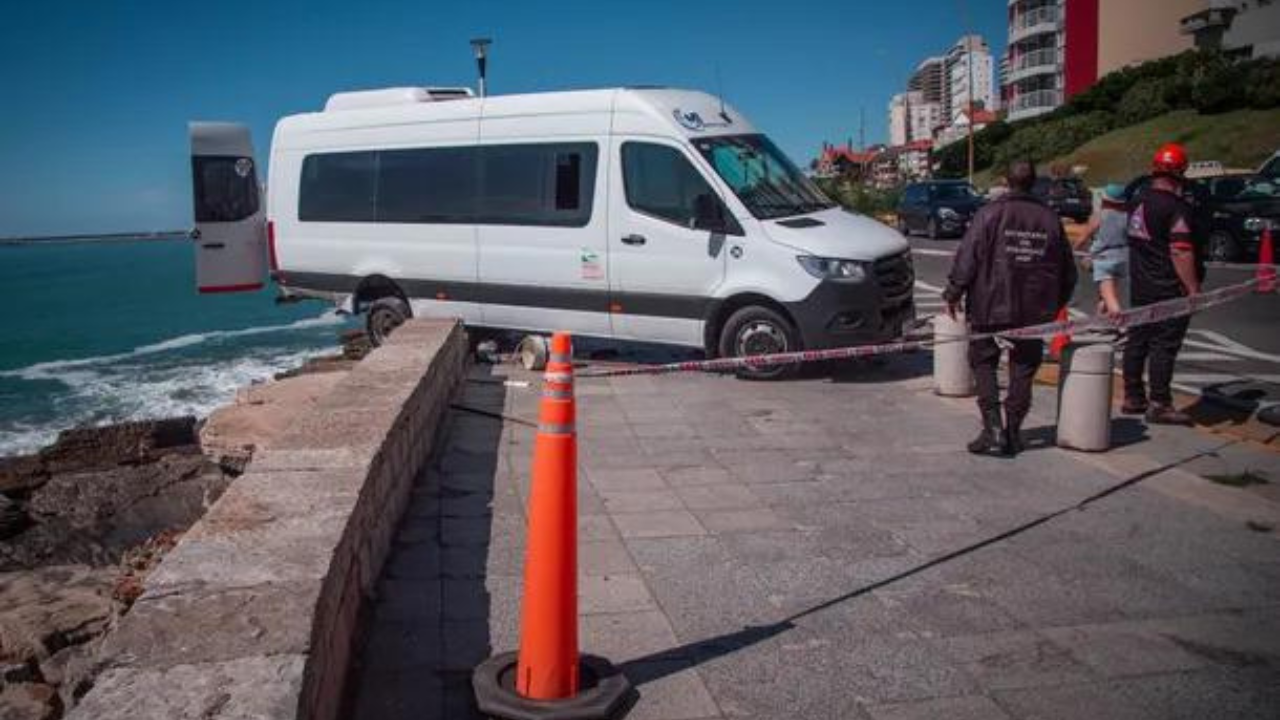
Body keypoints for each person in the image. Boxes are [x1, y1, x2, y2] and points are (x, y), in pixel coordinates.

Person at [945, 160, 1078, 457]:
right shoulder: (1050, 219)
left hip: (989, 303)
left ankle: (992, 429)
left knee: (983, 362)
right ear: (1033, 183)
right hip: (1034, 308)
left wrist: (953, 292)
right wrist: (1054, 303)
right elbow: (1069, 272)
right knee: (1024, 366)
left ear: (1006, 181)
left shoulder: (989, 214)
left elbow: (968, 258)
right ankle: (1013, 432)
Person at [1122, 143, 1202, 425]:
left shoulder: (1137, 201)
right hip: (1168, 286)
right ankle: (1160, 403)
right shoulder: (1177, 208)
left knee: (1137, 341)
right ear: (1180, 172)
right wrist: (1192, 288)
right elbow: (1181, 250)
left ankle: (1132, 396)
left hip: (1141, 284)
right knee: (1164, 346)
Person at [1073, 183, 1130, 316]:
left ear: (1104, 200)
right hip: (1124, 257)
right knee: (1105, 292)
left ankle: (1120, 324)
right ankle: (1100, 320)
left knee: (1109, 296)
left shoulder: (1099, 216)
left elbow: (1082, 239)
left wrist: (1074, 251)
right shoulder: (1127, 216)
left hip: (1103, 259)